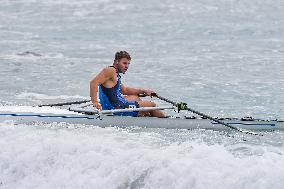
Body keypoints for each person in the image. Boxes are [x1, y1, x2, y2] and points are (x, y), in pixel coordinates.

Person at [90, 51, 165, 118]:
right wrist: (95, 102)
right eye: (124, 63)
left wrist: (144, 91)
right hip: (117, 108)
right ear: (116, 61)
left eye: (128, 64)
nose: (127, 66)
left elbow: (125, 90)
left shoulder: (115, 74)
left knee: (134, 97)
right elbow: (93, 83)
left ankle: (143, 116)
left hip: (114, 104)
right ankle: (164, 120)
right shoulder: (110, 70)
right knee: (152, 105)